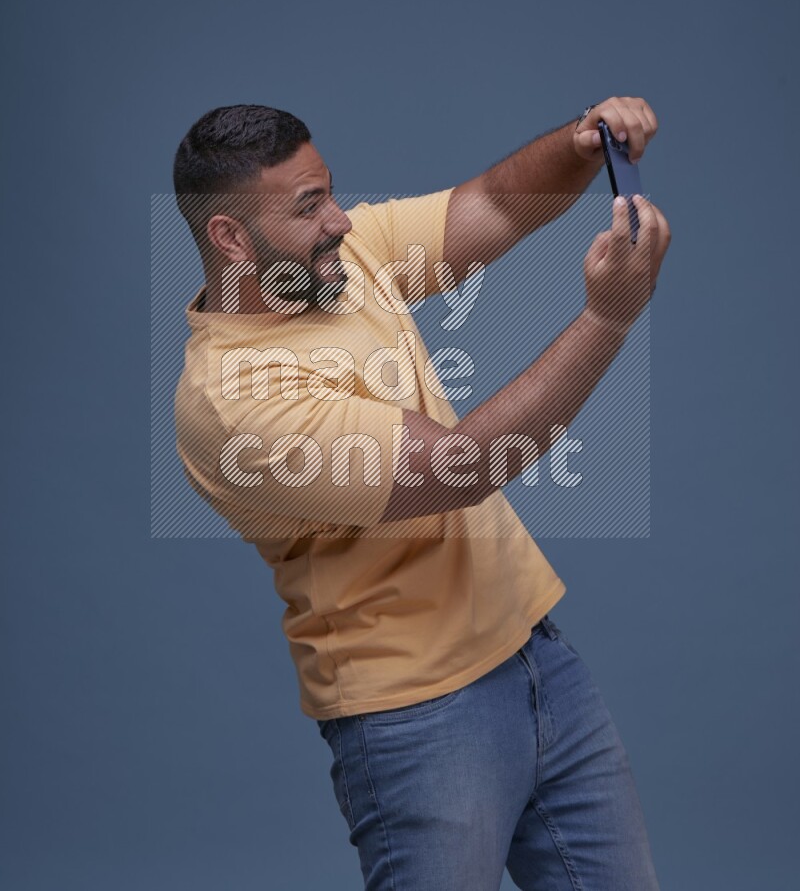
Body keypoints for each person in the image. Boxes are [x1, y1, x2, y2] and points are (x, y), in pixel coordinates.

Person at [172, 98, 670, 891]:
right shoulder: (233, 401)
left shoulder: (336, 261)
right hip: (418, 718)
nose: (340, 219)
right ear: (230, 238)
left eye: (329, 190)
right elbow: (465, 467)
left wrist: (579, 146)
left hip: (538, 660)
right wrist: (607, 320)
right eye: (309, 206)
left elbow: (496, 204)